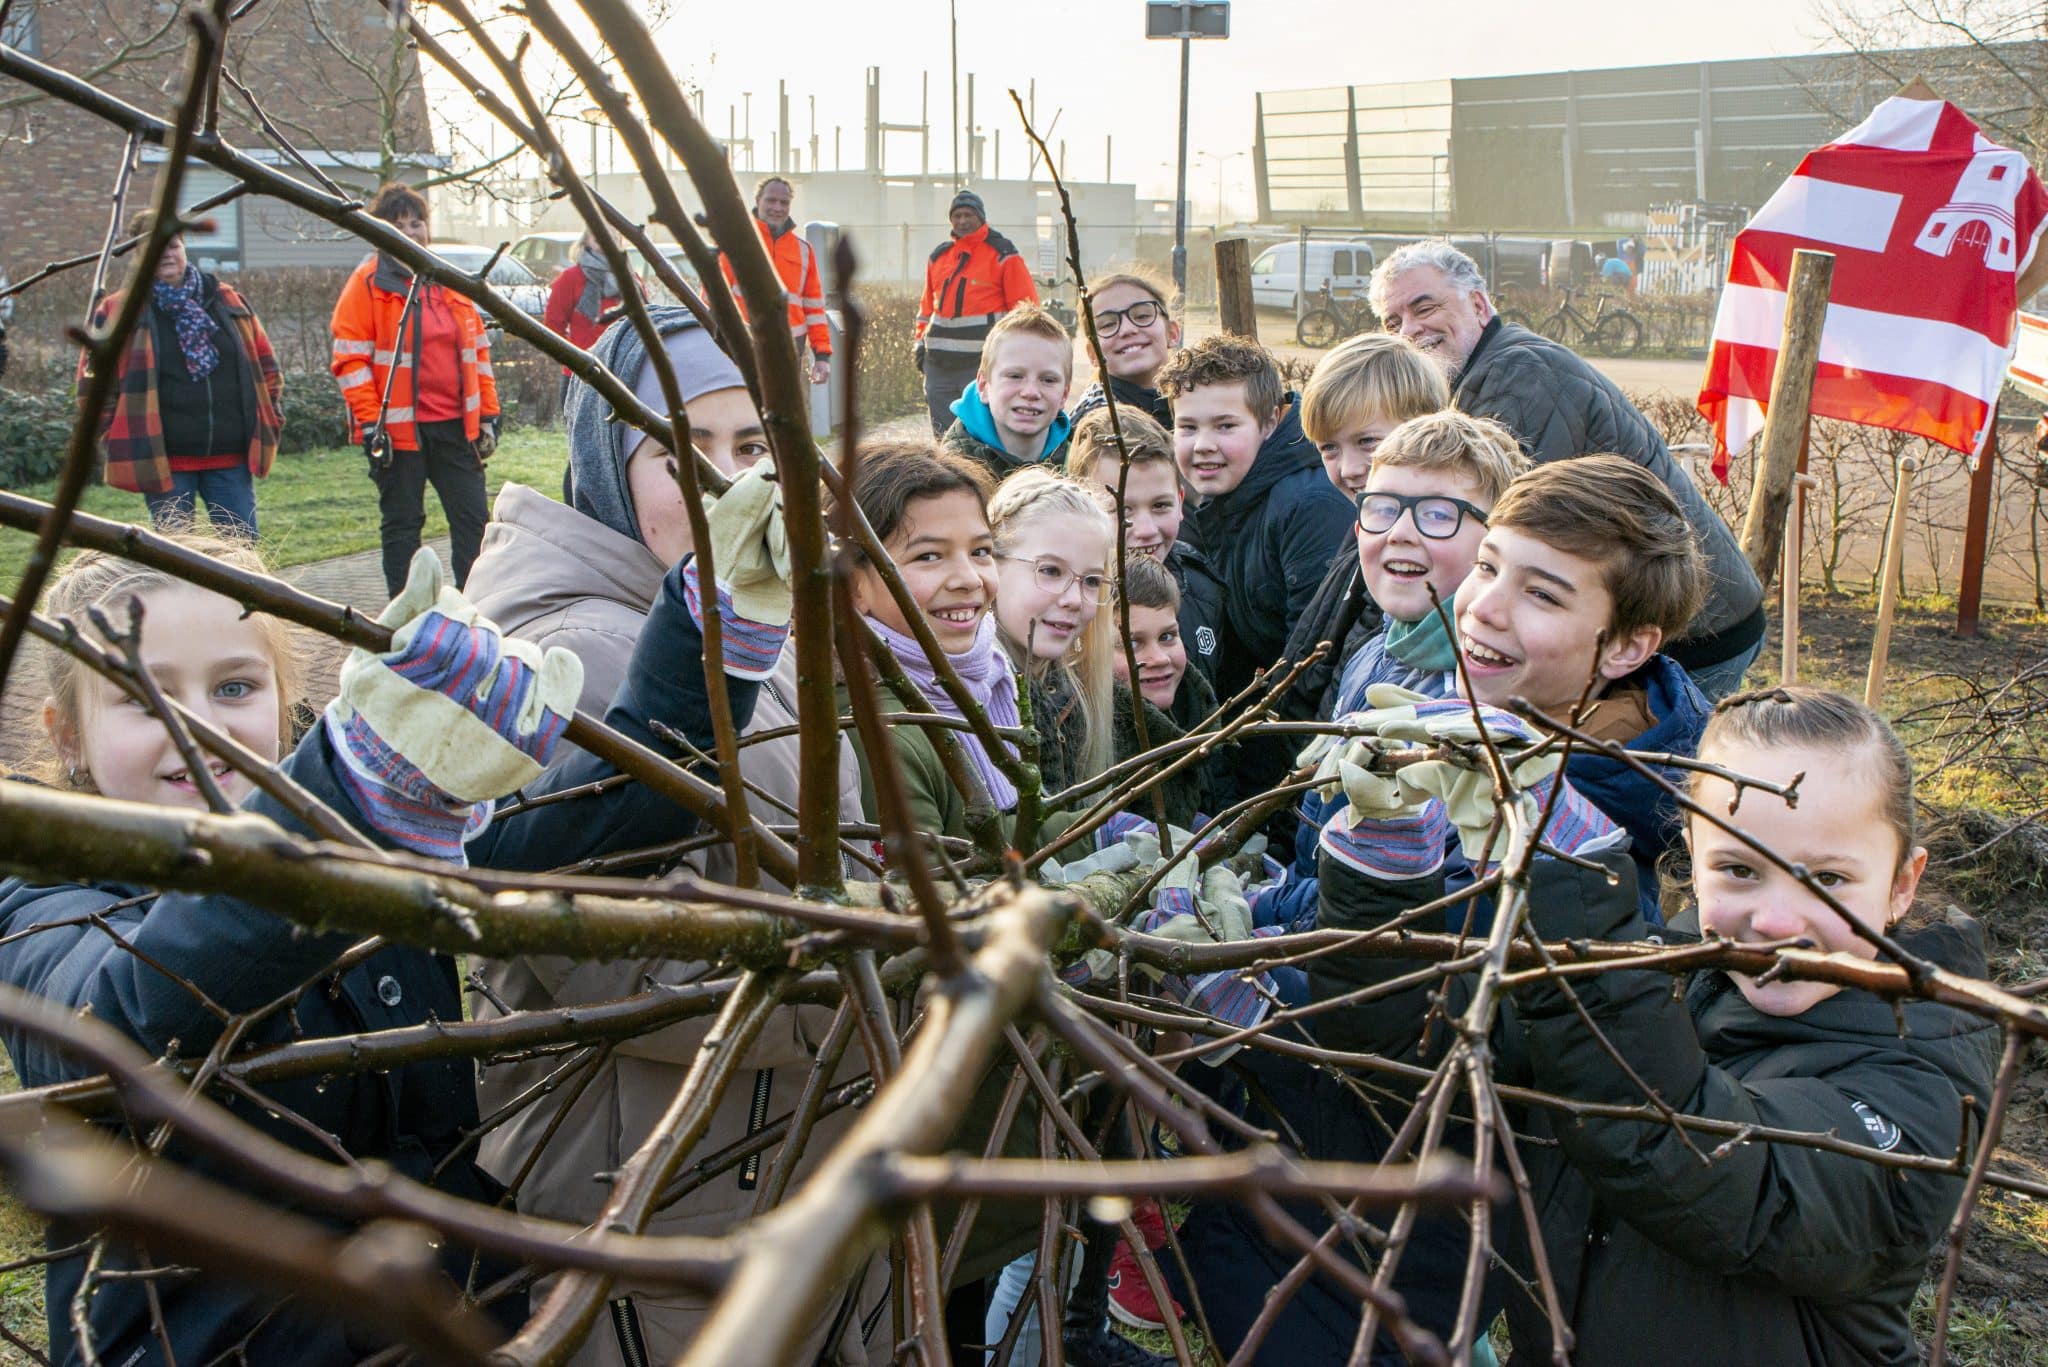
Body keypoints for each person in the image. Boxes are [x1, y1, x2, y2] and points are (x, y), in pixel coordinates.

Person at [1308, 685, 1998, 1366]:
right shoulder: (1658, 980)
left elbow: (1707, 1165)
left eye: (1829, 878)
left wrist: (1566, 861)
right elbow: (1414, 1056)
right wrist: (1385, 850)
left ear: (1903, 884)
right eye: (1738, 869)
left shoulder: (1929, 1087)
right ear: (1691, 857)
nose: (1779, 921)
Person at [462, 307, 877, 1365]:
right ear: (608, 459)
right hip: (659, 1193)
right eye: (680, 452)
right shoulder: (570, 659)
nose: (730, 483)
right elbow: (624, 959)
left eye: (754, 448)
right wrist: (893, 984)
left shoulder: (748, 612)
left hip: (775, 1151)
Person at [1369, 238, 1763, 698]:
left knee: (1632, 762)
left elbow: (1501, 531)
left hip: (1694, 631)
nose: (1409, 331)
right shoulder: (1486, 374)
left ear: (1479, 305)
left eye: (1425, 307)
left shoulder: (1517, 378)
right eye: (1392, 321)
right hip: (1641, 617)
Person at [1451, 453, 1711, 920]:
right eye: (1486, 566)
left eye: (1542, 595)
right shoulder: (1500, 709)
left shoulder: (1602, 852)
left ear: (1627, 648)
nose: (1483, 608)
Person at [1158, 335, 1355, 806]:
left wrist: (1277, 804)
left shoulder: (1308, 506)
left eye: (1226, 425)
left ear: (1271, 421)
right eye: (1187, 427)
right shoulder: (1215, 498)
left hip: (1307, 764)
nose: (1203, 446)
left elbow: (1316, 665)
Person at [332, 182, 500, 596]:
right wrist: (373, 423)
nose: (411, 232)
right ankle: (408, 616)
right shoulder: (367, 284)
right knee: (403, 525)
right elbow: (350, 362)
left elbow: (478, 354)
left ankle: (473, 606)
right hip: (397, 435)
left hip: (455, 429)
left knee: (474, 522)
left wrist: (490, 414)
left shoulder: (448, 279)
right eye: (398, 224)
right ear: (380, 231)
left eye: (417, 222)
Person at [1282, 332, 1452, 722]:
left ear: (1428, 430)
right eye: (1330, 449)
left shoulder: (1435, 558)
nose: (1348, 469)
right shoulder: (1359, 539)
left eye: (1368, 442)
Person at [85, 216, 283, 537]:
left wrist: (271, 417)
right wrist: (113, 436)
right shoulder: (117, 313)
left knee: (241, 561)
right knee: (178, 563)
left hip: (230, 460)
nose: (167, 254)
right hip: (165, 466)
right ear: (138, 257)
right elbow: (93, 388)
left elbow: (267, 368)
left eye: (174, 245)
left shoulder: (227, 300)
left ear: (184, 247)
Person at [1066, 407, 1223, 686]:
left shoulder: (1205, 590)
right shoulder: (1066, 607)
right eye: (1122, 511)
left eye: (1161, 506)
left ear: (1180, 500)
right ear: (1080, 509)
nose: (1147, 530)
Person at [915, 189, 1038, 434]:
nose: (962, 221)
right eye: (957, 215)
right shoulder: (938, 257)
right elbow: (926, 310)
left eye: (968, 215)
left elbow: (1026, 310)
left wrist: (1018, 356)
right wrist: (919, 346)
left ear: (981, 217)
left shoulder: (1003, 254)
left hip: (981, 365)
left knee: (981, 434)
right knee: (943, 436)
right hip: (937, 365)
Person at [718, 175, 832, 387]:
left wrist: (822, 356)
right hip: (740, 345)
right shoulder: (734, 244)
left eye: (784, 202)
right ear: (757, 201)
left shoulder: (803, 250)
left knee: (784, 416)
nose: (777, 207)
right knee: (745, 412)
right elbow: (711, 301)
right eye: (771, 201)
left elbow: (814, 308)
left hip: (789, 347)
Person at [942, 304, 1076, 480]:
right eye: (1015, 376)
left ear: (1064, 396)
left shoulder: (1081, 464)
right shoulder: (952, 473)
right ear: (983, 386)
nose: (1031, 392)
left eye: (1048, 380)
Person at [1071, 268, 1180, 429]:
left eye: (1142, 316)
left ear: (1172, 332)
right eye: (1108, 324)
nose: (1127, 329)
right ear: (1092, 353)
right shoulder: (1093, 425)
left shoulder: (1201, 402)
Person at [543, 229, 625, 381]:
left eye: (613, 236)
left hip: (623, 372)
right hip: (581, 374)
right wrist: (574, 358)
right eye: (599, 234)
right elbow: (553, 327)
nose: (606, 238)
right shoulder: (571, 278)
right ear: (586, 240)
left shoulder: (631, 280)